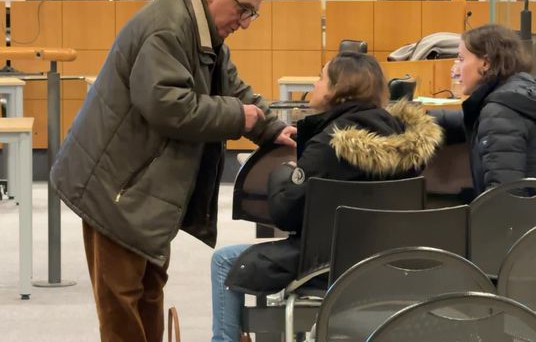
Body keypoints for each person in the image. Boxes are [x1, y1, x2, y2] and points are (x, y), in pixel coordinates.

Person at [50, 0, 296, 342]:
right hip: (116, 186)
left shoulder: (203, 29)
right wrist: (240, 118)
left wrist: (272, 127)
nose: (246, 22)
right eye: (244, 10)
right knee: (121, 298)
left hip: (144, 186)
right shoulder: (168, 28)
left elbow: (230, 86)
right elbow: (167, 106)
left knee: (148, 288)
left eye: (253, 15)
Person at [210, 52, 444, 342]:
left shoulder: (328, 144)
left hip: (324, 265)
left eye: (321, 78)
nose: (315, 84)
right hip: (387, 264)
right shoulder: (405, 142)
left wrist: (283, 175)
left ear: (338, 89)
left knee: (223, 260)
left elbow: (286, 215)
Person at [431, 23, 536, 197]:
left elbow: (506, 197)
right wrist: (416, 116)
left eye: (461, 59)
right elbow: (474, 118)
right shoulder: (518, 93)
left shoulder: (499, 110)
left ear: (485, 63)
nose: (456, 69)